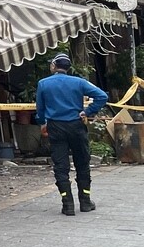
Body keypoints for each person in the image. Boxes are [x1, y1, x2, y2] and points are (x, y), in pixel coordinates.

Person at [36, 53, 108, 215]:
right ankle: (85, 202)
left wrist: (42, 124)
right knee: (82, 163)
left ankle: (67, 204)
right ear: (68, 67)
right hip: (76, 126)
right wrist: (88, 111)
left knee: (61, 167)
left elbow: (40, 109)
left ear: (54, 66)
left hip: (55, 127)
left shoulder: (43, 84)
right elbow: (102, 96)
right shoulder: (79, 82)